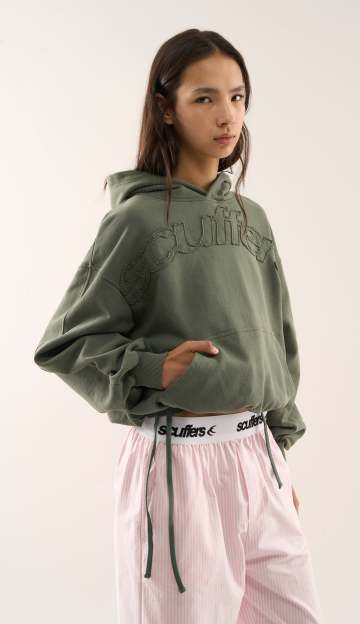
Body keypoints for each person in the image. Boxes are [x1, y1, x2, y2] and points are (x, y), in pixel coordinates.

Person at [33, 28, 324, 624]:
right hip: (177, 463)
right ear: (166, 108)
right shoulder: (137, 221)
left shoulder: (252, 219)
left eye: (238, 97)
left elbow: (279, 337)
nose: (227, 116)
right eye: (205, 98)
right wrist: (152, 368)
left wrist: (276, 457)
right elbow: (67, 342)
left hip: (259, 458)